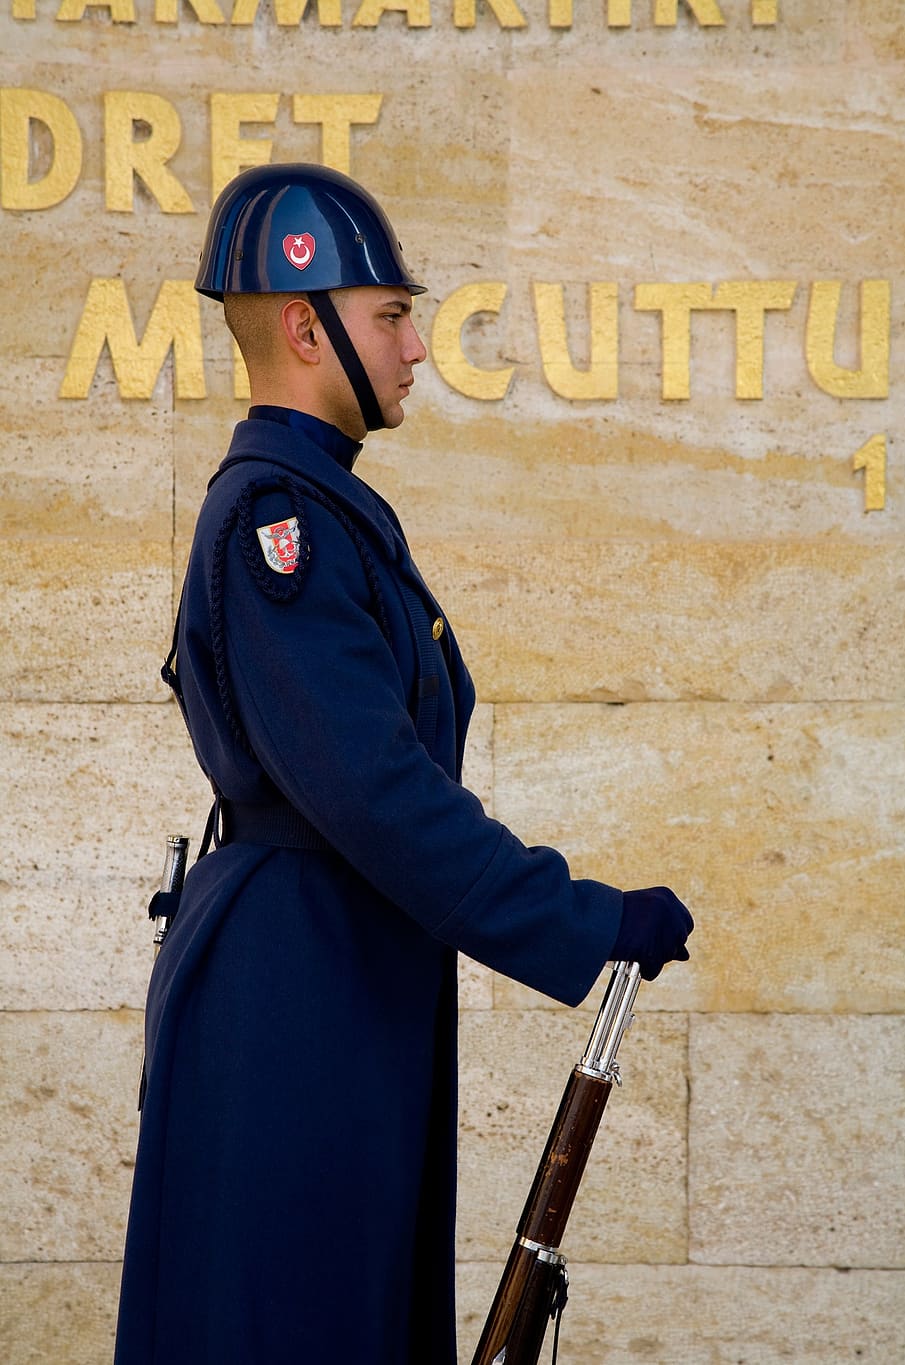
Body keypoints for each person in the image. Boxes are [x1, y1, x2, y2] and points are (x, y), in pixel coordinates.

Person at [113, 164, 693, 1365]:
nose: (418, 345)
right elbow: (375, 792)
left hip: (335, 968)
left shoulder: (321, 508)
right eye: (390, 316)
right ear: (301, 324)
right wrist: (575, 918)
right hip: (292, 985)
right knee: (286, 1321)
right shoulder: (279, 524)